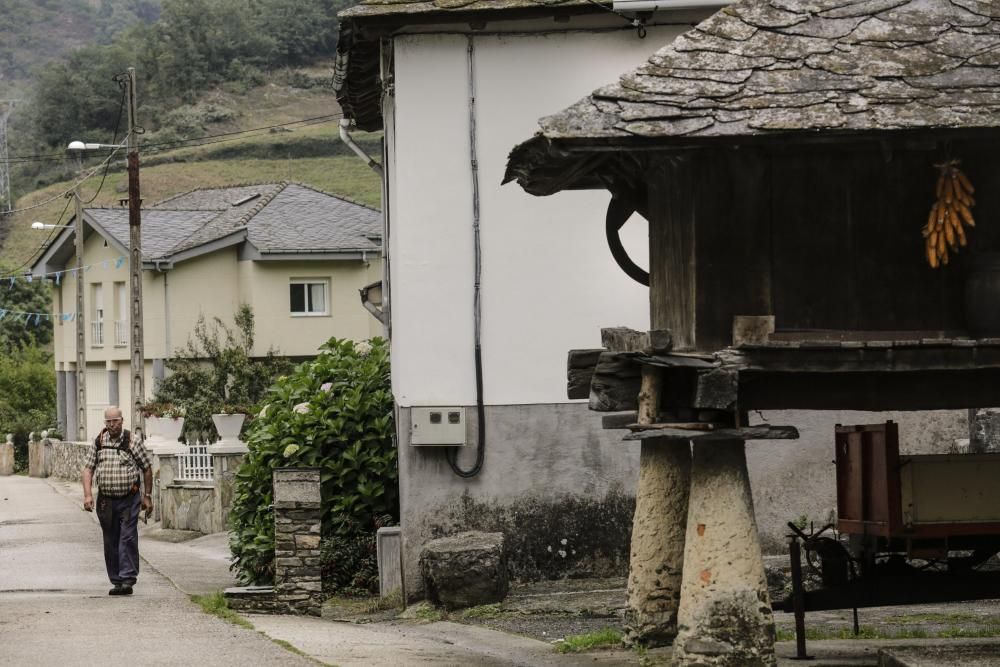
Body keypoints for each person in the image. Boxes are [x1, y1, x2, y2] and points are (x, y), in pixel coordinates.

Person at [82, 406, 153, 596]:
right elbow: (88, 469)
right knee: (110, 539)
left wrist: (147, 496)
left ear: (122, 421)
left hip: (129, 499)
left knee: (127, 537)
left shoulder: (133, 441)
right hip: (106, 501)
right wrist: (88, 495)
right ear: (105, 423)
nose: (112, 425)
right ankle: (117, 580)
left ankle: (128, 579)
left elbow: (146, 468)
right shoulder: (98, 442)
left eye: (115, 421)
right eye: (109, 422)